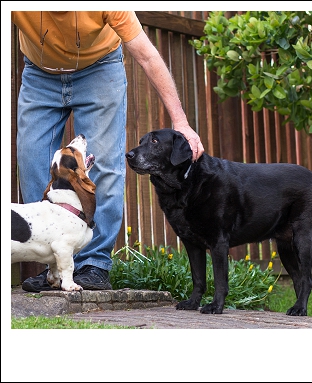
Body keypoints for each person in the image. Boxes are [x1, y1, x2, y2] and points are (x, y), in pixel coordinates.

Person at [12, 11, 205, 292]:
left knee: (102, 165)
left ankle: (95, 264)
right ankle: (55, 266)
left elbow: (149, 57)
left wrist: (181, 122)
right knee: (32, 161)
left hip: (99, 69)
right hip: (40, 73)